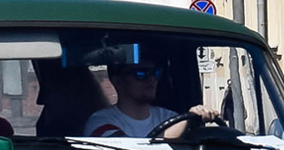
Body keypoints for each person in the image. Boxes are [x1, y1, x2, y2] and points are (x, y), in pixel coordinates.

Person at [83, 58, 217, 138]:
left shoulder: (169, 117)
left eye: (156, 73)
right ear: (117, 81)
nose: (152, 79)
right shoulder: (100, 121)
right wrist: (186, 121)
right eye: (141, 73)